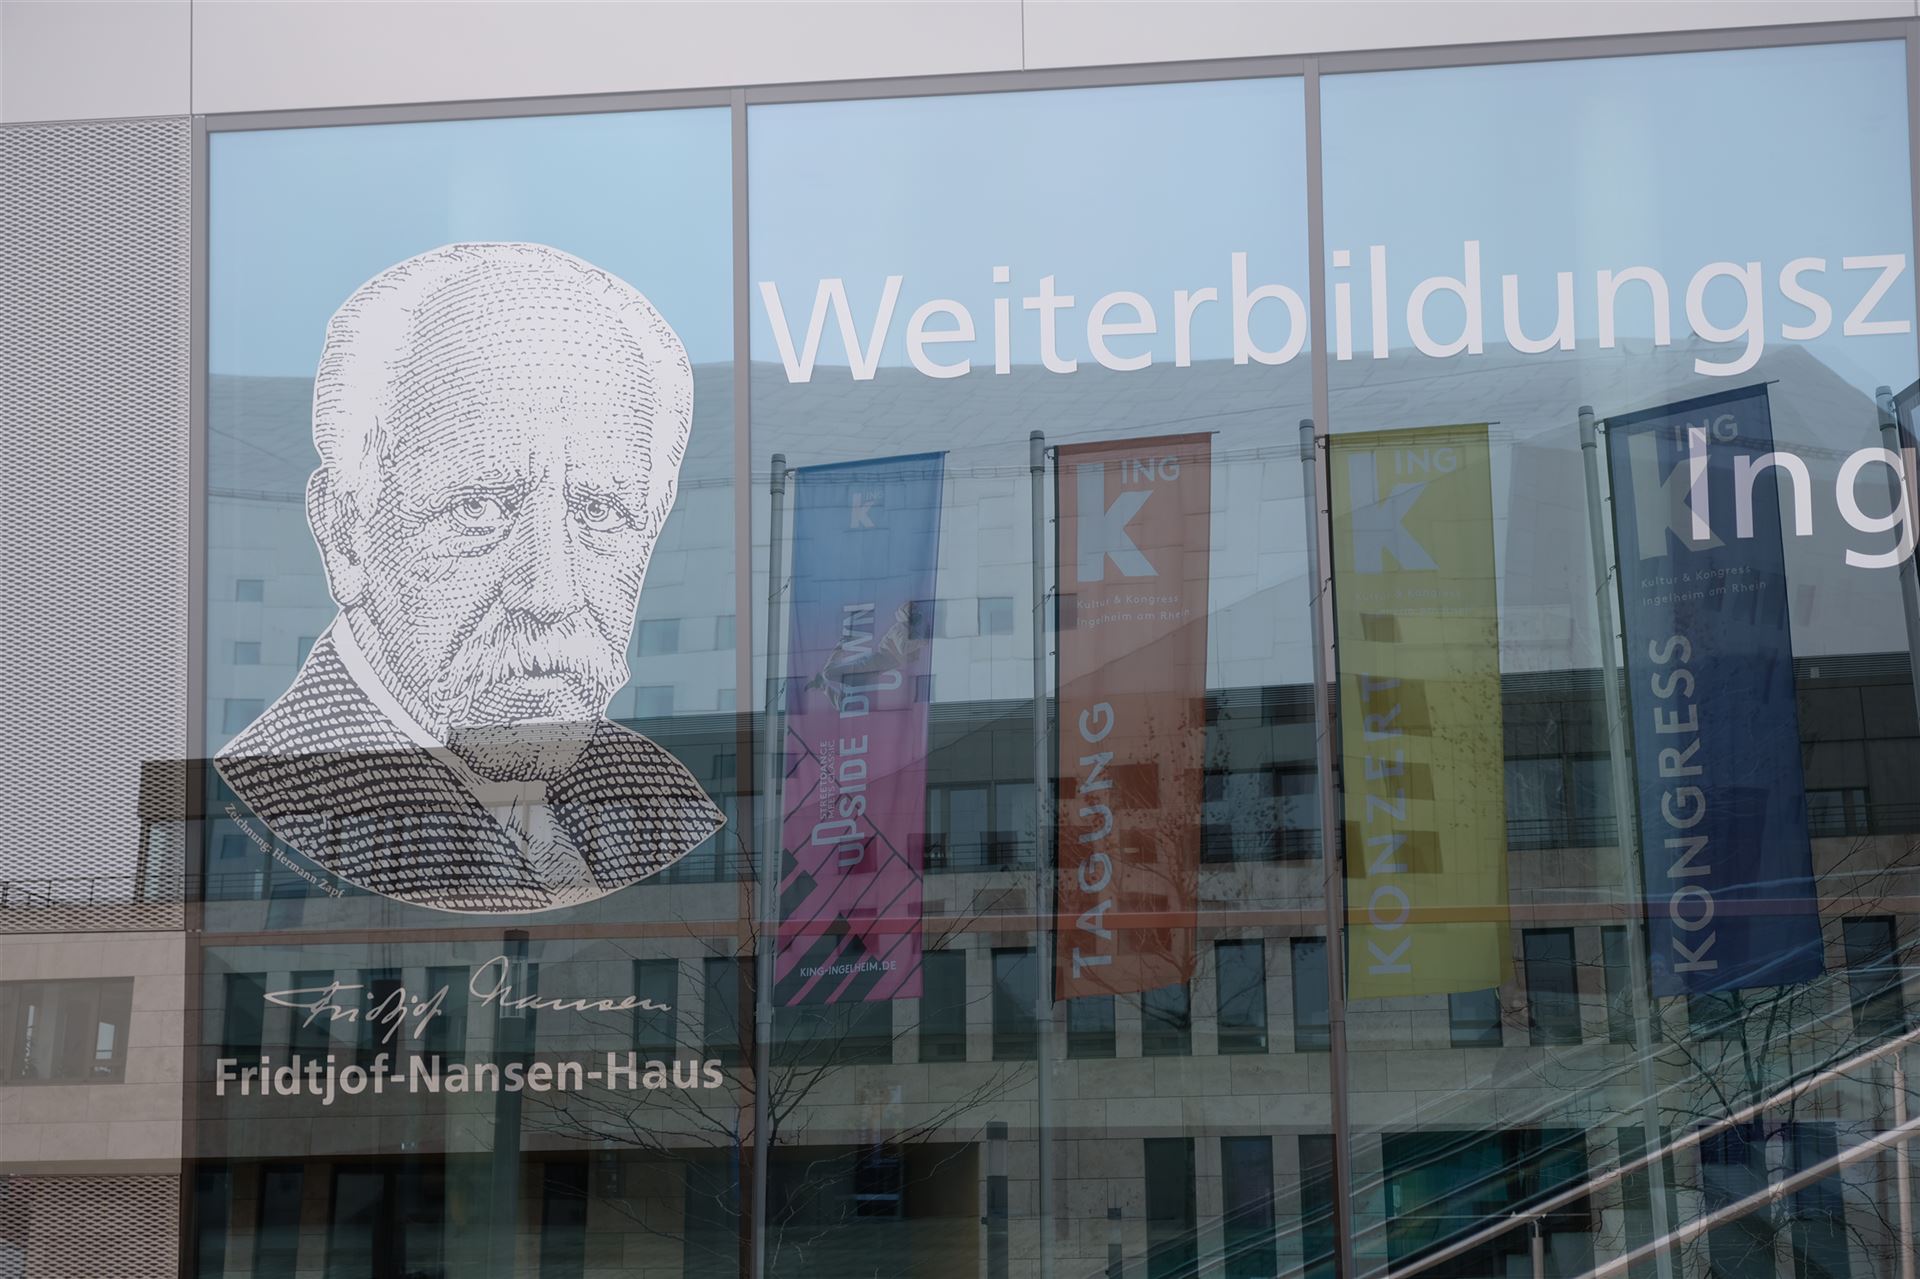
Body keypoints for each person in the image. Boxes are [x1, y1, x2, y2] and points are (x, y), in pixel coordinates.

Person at [216, 242, 724, 912]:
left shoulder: (666, 800)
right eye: (477, 507)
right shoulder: (270, 802)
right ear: (344, 535)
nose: (550, 592)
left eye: (599, 511)